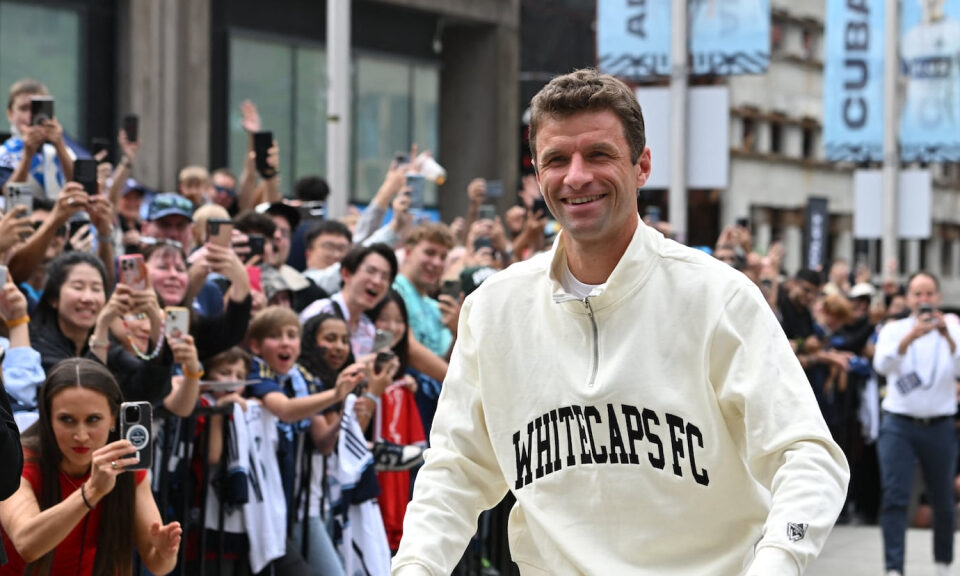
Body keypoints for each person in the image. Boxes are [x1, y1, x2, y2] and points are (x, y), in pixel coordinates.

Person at [392, 69, 849, 575]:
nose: (577, 176)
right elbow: (455, 469)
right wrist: (414, 566)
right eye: (557, 160)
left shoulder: (719, 297)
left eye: (599, 155)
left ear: (642, 165)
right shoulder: (495, 308)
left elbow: (807, 455)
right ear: (538, 174)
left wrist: (779, 560)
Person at [0, 358, 181, 575]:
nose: (81, 435)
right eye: (67, 420)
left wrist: (165, 553)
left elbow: (157, 565)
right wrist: (92, 491)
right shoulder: (21, 463)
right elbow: (26, 544)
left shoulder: (126, 466)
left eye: (93, 419)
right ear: (48, 419)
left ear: (114, 419)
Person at [873, 271, 960, 576]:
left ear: (938, 296)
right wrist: (911, 338)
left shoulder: (953, 326)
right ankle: (894, 568)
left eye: (929, 293)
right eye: (917, 294)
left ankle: (943, 564)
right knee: (895, 495)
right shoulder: (894, 329)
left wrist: (946, 337)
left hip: (939, 424)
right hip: (899, 423)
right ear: (908, 298)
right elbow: (881, 365)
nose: (923, 300)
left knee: (943, 499)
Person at [0, 79, 75, 198]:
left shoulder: (61, 150)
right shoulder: (4, 154)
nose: (30, 116)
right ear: (10, 114)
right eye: (24, 108)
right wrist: (27, 156)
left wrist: (60, 145)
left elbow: (80, 186)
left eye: (37, 109)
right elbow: (10, 195)